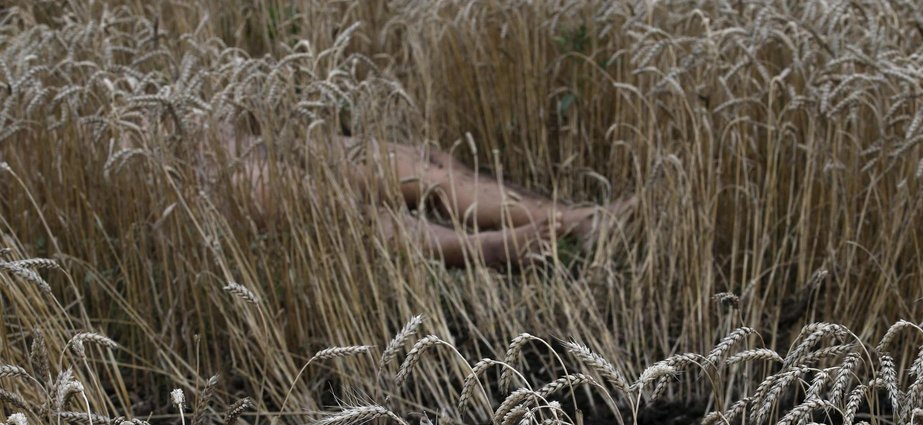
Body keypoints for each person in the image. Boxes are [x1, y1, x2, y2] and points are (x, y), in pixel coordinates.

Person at [172, 120, 634, 267]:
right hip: (180, 176)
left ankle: (580, 219)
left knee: (420, 170)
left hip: (217, 134)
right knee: (289, 193)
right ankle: (480, 248)